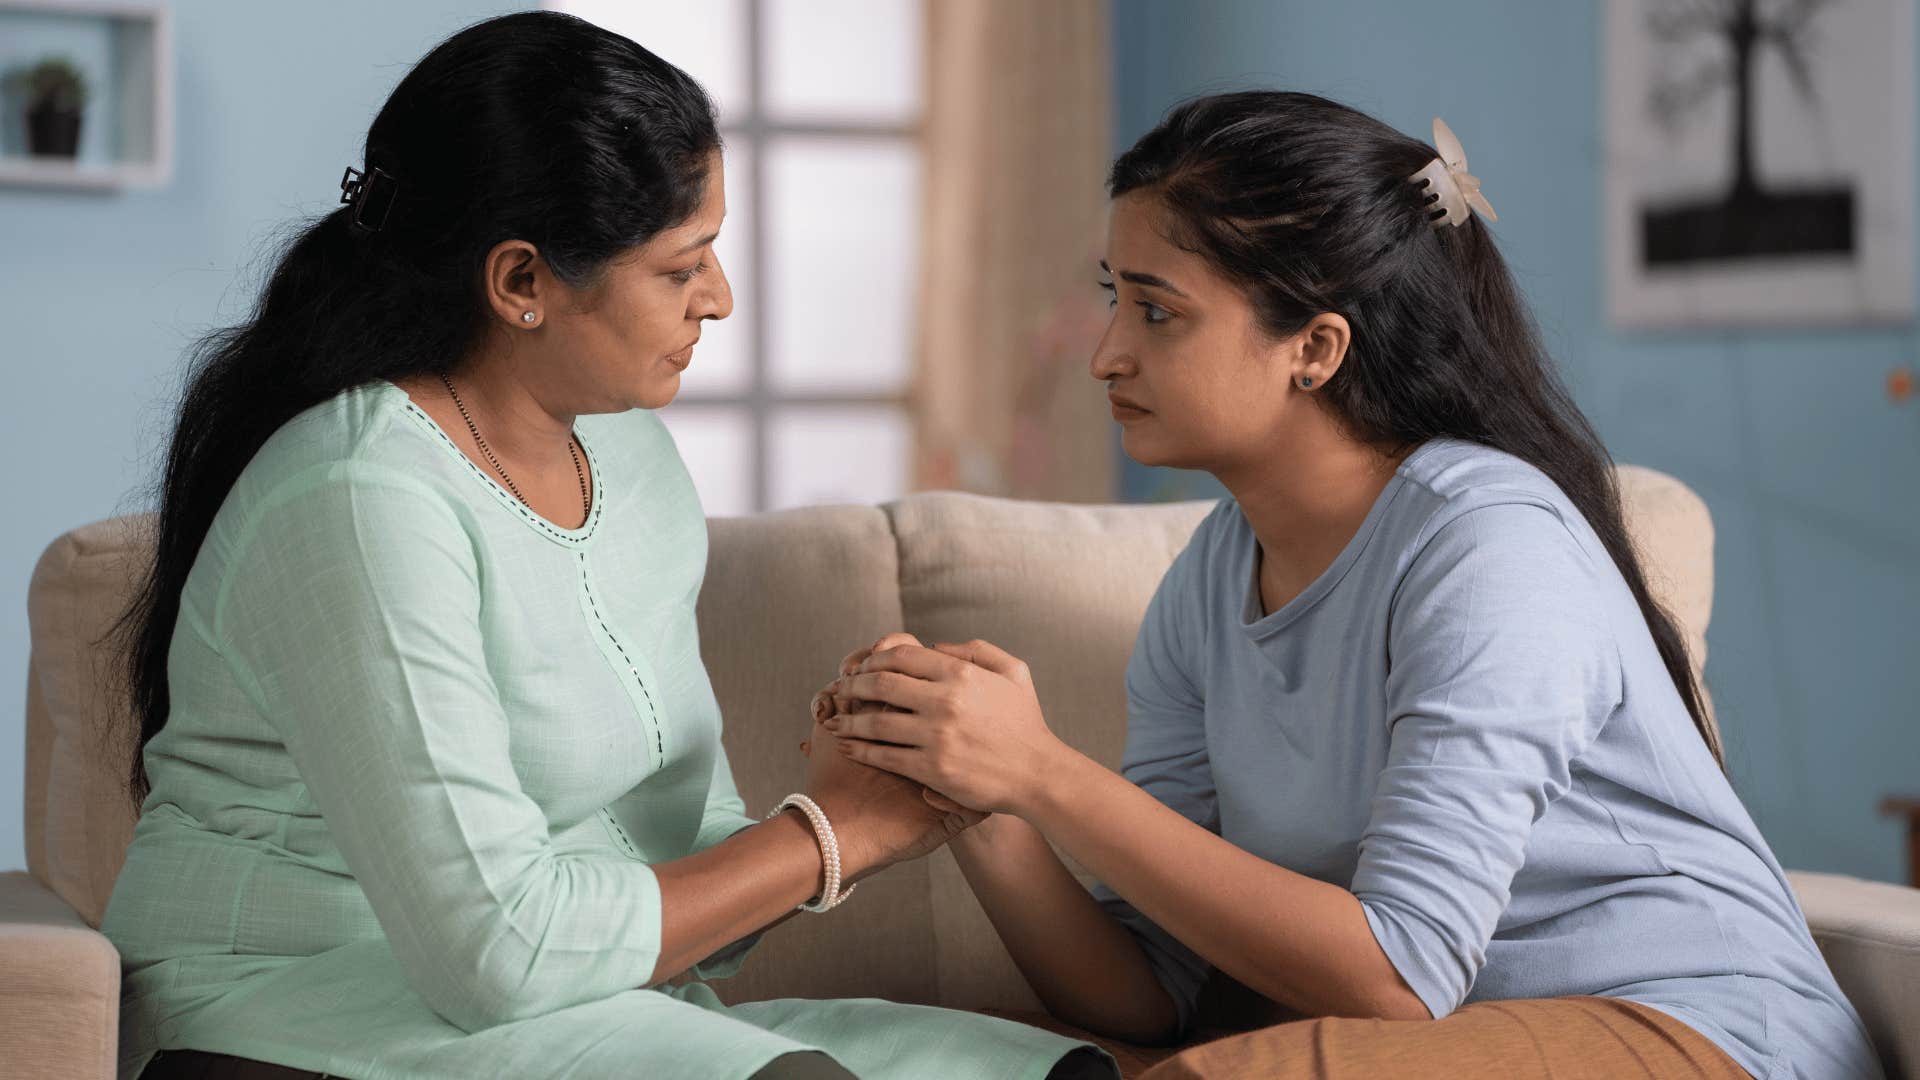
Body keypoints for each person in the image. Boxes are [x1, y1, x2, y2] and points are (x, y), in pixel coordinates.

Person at [98, 12, 1114, 1080]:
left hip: (567, 1001)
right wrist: (834, 834)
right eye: (684, 265)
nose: (719, 298)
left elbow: (680, 874)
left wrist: (853, 786)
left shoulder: (633, 464)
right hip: (301, 1006)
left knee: (1051, 1072)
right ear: (522, 283)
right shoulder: (359, 498)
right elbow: (498, 950)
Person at [819, 92, 1884, 1080]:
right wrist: (982, 799)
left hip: (1692, 1027)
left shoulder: (1487, 547)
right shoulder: (1207, 584)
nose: (1105, 354)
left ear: (1315, 349)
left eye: (1156, 311)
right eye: (1114, 299)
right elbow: (1147, 994)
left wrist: (1049, 774)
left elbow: (1400, 980)